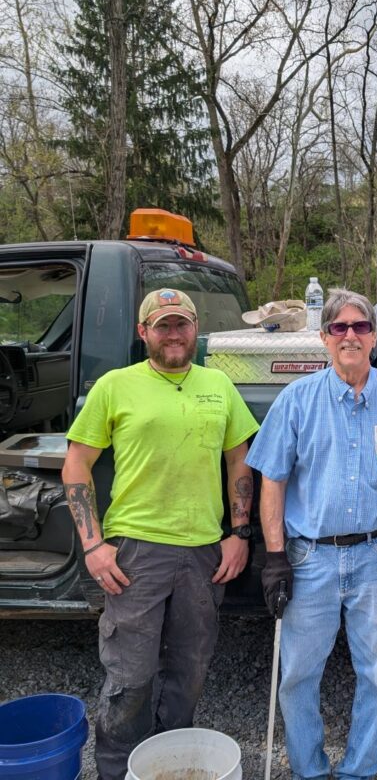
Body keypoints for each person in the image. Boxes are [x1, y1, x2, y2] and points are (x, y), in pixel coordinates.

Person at [61, 288, 259, 780]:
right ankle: (116, 770)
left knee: (189, 671)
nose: (174, 334)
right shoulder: (115, 385)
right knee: (131, 676)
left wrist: (239, 533)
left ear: (196, 330)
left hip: (203, 551)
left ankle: (171, 763)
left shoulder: (220, 385)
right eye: (163, 325)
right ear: (143, 331)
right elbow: (76, 464)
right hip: (135, 553)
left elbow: (239, 460)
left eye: (182, 324)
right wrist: (92, 544)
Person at [246, 288, 377, 780]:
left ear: (373, 337)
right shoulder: (296, 400)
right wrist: (274, 558)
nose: (350, 335)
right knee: (297, 674)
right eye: (339, 328)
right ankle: (309, 769)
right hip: (311, 556)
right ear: (324, 339)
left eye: (360, 327)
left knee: (376, 672)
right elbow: (272, 479)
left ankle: (360, 767)